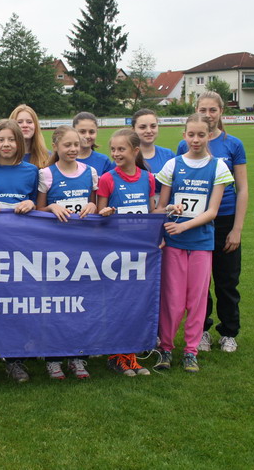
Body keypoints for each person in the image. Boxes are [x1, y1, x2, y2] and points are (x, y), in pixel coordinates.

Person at [153, 113, 234, 373]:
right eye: (191, 135)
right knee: (173, 299)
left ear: (210, 135)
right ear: (184, 135)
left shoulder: (218, 167)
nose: (196, 139)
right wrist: (170, 209)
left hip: (201, 242)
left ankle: (191, 351)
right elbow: (160, 207)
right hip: (174, 243)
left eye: (201, 135)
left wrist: (184, 225)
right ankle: (166, 348)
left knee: (197, 300)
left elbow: (212, 211)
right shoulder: (173, 165)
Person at [177, 92, 248, 353]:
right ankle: (202, 330)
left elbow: (242, 188)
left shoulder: (233, 144)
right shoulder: (185, 143)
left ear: (221, 112)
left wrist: (237, 229)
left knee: (227, 281)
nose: (208, 115)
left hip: (225, 220)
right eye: (203, 110)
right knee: (199, 283)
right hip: (196, 221)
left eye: (213, 110)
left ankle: (228, 332)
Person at [0, 119, 39, 384]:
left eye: (11, 139)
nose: (6, 144)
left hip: (20, 246)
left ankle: (15, 360)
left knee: (16, 303)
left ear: (20, 142)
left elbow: (38, 204)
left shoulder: (31, 171)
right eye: (1, 139)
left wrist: (31, 203)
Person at [35, 125, 98, 379]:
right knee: (55, 304)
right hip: (55, 250)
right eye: (67, 145)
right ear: (55, 147)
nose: (73, 149)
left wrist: (93, 205)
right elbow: (38, 210)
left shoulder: (90, 172)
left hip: (83, 250)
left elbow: (94, 203)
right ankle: (53, 358)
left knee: (81, 303)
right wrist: (52, 207)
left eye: (76, 145)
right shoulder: (46, 174)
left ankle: (78, 357)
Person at [96, 128, 155, 377]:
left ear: (135, 150)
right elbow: (99, 215)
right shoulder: (107, 179)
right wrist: (106, 213)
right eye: (113, 149)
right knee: (117, 304)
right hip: (115, 252)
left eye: (121, 149)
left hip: (140, 253)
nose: (116, 153)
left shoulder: (148, 178)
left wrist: (158, 231)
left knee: (136, 304)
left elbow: (151, 214)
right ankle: (116, 355)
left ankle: (131, 355)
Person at [131, 108, 176, 205]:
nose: (149, 131)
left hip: (164, 211)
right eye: (142, 127)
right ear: (133, 130)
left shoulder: (169, 155)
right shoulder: (125, 157)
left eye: (153, 126)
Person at [73, 111, 114, 175]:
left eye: (91, 132)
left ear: (96, 132)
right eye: (82, 132)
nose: (87, 136)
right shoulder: (64, 160)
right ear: (73, 132)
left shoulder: (103, 161)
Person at [9, 104, 49, 168]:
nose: (25, 125)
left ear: (35, 126)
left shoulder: (48, 157)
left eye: (29, 122)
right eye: (19, 122)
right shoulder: (3, 158)